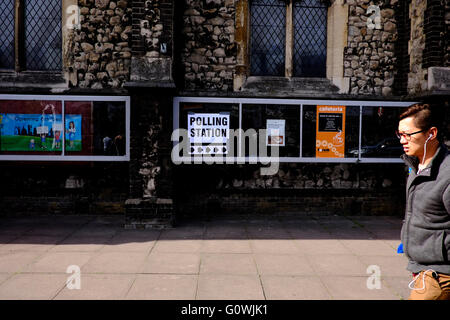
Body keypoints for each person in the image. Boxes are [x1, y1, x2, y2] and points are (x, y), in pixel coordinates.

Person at [397, 103, 450, 300]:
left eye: (408, 135)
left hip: (439, 275)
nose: (403, 140)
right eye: (400, 134)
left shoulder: (446, 175)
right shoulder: (416, 165)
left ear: (431, 133)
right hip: (421, 267)